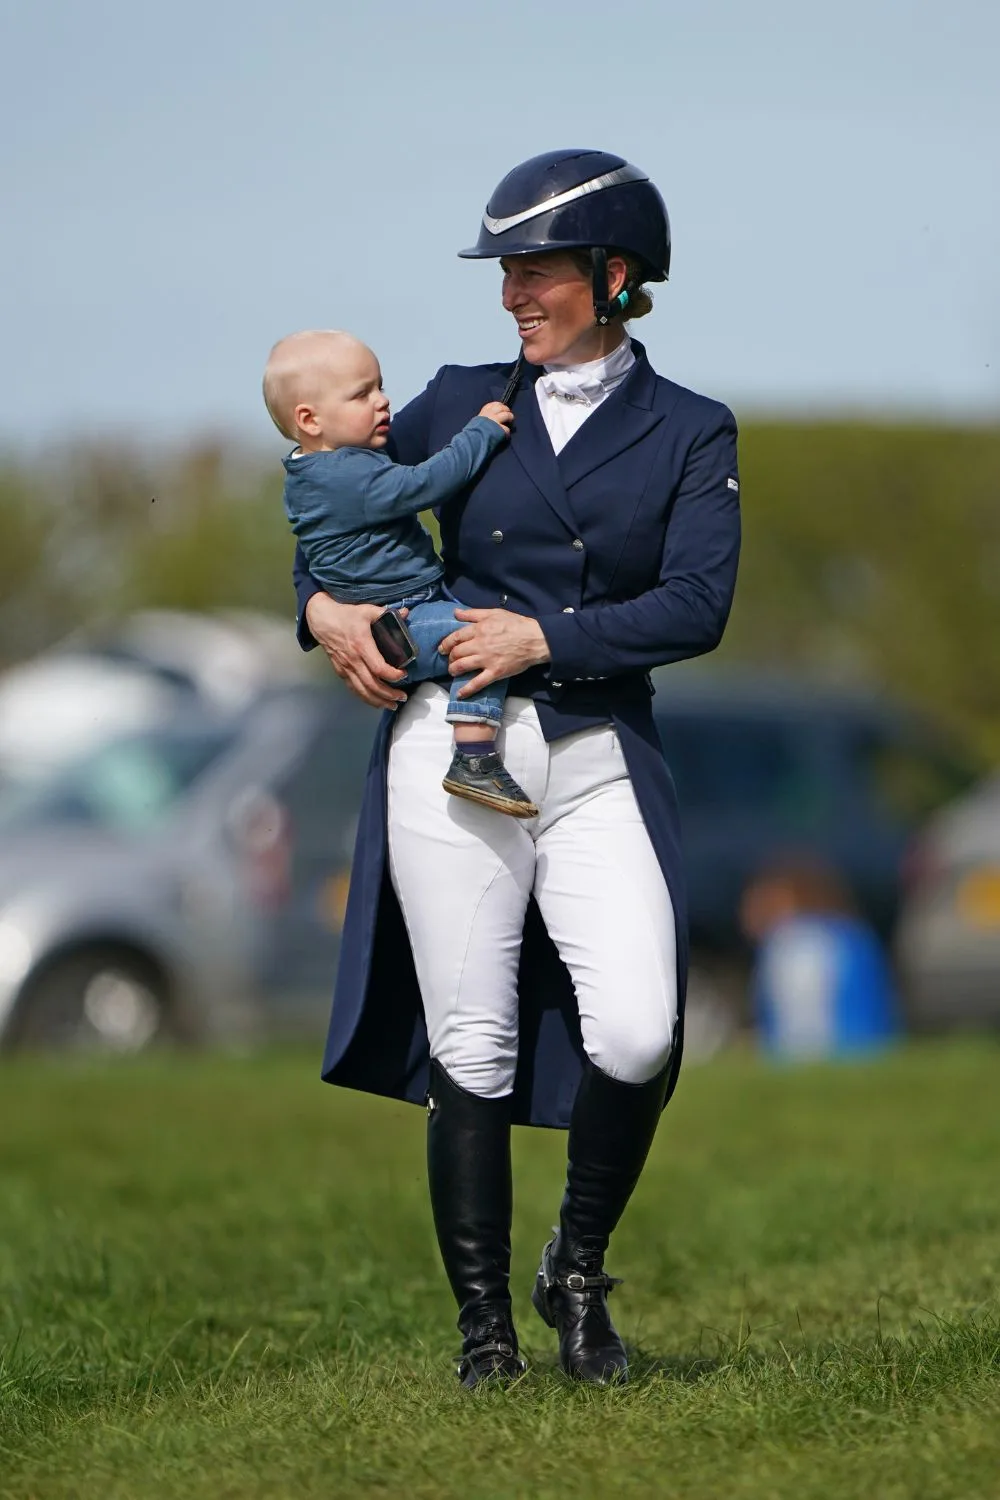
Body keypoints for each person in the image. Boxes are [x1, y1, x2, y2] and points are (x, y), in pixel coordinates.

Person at [293, 149, 741, 1387]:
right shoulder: (447, 399)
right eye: (505, 273)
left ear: (612, 275)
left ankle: (577, 1265)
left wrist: (549, 635)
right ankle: (484, 1326)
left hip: (595, 750)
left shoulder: (692, 432)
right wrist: (323, 615)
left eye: (532, 270)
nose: (511, 295)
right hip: (452, 747)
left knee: (642, 1031)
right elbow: (335, 517)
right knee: (472, 1044)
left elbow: (699, 604)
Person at [264, 329, 536, 817]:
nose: (383, 401)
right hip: (400, 622)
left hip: (404, 609)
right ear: (309, 418)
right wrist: (482, 431)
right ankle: (474, 758)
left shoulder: (309, 471)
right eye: (361, 394)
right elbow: (427, 482)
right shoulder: (351, 476)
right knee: (478, 640)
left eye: (380, 386)